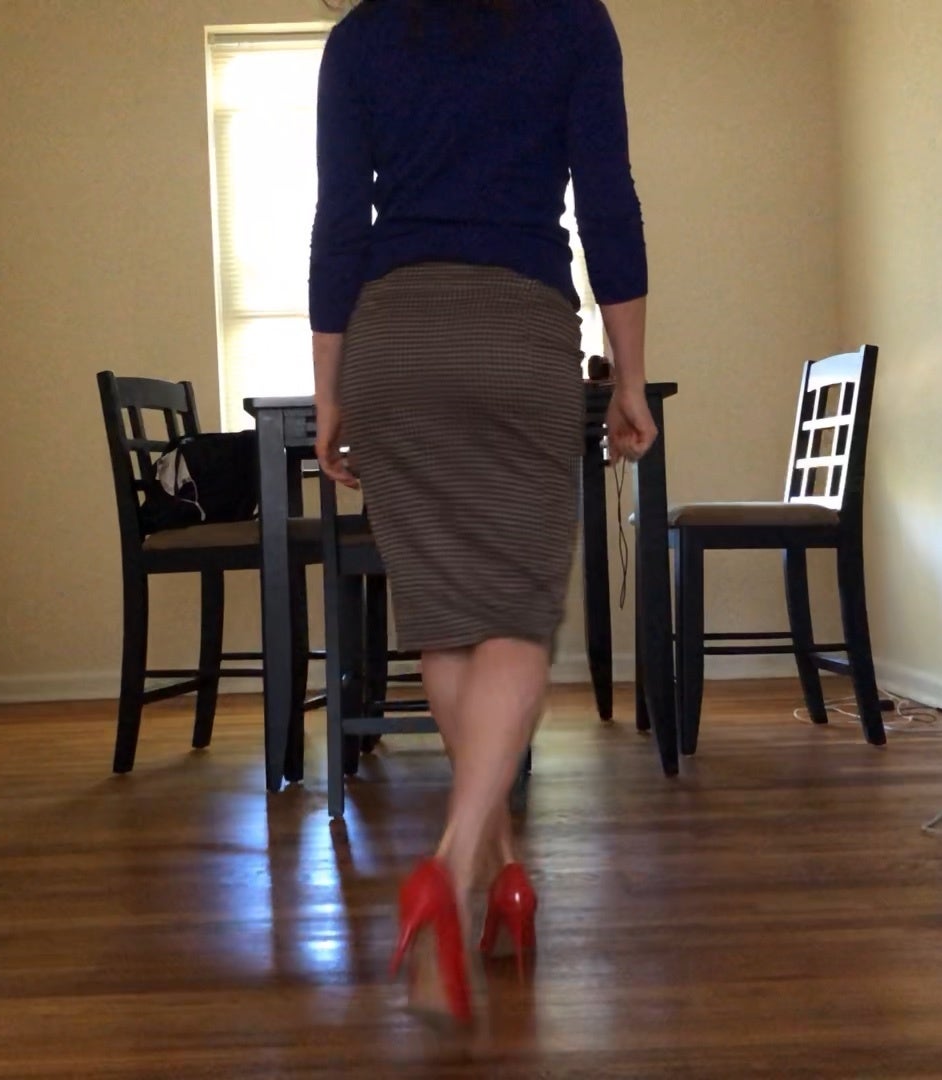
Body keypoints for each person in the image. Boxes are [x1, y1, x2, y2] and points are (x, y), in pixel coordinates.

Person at [309, 0, 653, 1024]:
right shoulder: (572, 23)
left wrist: (330, 391)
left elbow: (339, 223)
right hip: (517, 330)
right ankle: (455, 868)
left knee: (448, 621)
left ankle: (505, 875)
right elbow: (608, 202)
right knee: (514, 616)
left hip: (393, 338)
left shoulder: (360, 37)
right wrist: (630, 376)